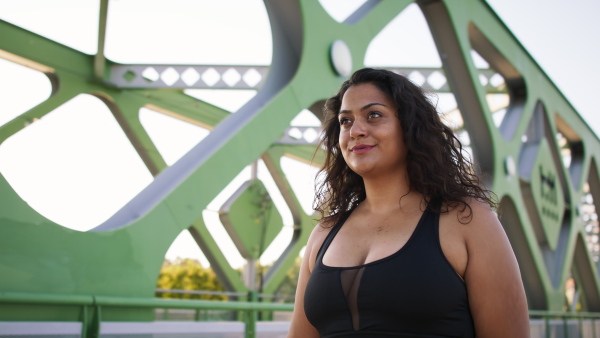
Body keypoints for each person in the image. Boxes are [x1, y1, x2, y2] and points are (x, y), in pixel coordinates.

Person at [287, 68, 529, 337]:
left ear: (411, 126)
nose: (355, 130)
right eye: (345, 121)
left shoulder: (468, 220)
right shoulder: (324, 233)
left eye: (374, 115)